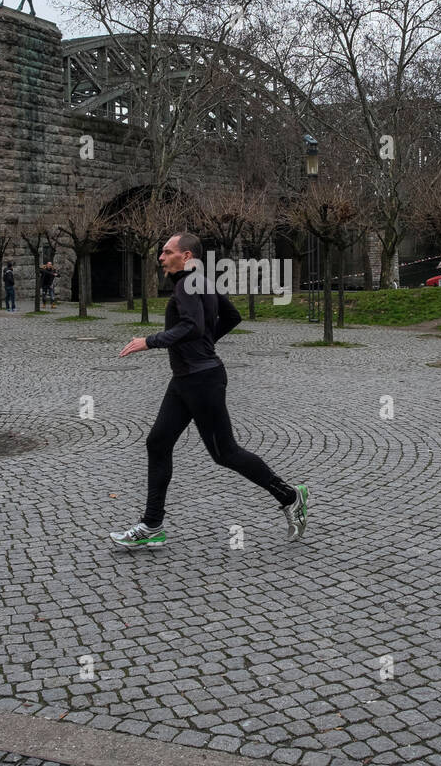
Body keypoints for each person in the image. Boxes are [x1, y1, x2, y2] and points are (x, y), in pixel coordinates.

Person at [109, 232, 308, 549]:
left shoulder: (188, 284)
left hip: (201, 382)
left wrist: (150, 341)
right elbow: (231, 316)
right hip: (187, 380)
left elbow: (191, 325)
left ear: (186, 256)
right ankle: (152, 525)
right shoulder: (201, 281)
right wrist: (206, 344)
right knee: (158, 443)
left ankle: (290, 496)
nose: (160, 257)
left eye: (167, 251)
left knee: (226, 453)